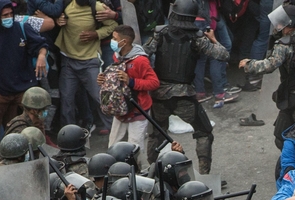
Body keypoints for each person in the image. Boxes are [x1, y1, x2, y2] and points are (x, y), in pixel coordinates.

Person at [144, 0, 227, 173]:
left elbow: (143, 53)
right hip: (185, 96)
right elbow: (222, 55)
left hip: (159, 95)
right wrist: (213, 40)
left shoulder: (160, 33)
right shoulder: (197, 38)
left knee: (156, 134)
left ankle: (154, 172)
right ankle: (204, 175)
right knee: (204, 132)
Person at [240, 4, 295, 151]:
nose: (278, 26)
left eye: (282, 23)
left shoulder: (283, 45)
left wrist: (248, 64)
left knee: (281, 138)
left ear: (289, 26)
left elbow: (269, 65)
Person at [0, 0, 49, 150]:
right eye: (4, 15)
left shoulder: (23, 28)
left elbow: (41, 45)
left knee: (35, 123)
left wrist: (42, 56)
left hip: (24, 89)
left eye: (10, 14)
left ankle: (39, 153)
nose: (8, 17)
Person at [55, 0, 118, 137]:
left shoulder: (98, 7)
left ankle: (116, 132)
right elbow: (52, 15)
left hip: (90, 60)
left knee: (101, 96)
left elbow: (113, 25)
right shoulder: (66, 6)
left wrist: (96, 34)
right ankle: (68, 137)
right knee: (66, 99)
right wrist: (58, 20)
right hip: (68, 60)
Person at [101, 25, 158, 171]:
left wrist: (131, 81)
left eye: (115, 39)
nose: (112, 41)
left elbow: (153, 83)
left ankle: (138, 175)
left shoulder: (140, 61)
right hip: (120, 110)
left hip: (138, 109)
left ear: (124, 42)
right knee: (113, 144)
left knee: (135, 147)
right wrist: (105, 79)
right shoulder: (117, 56)